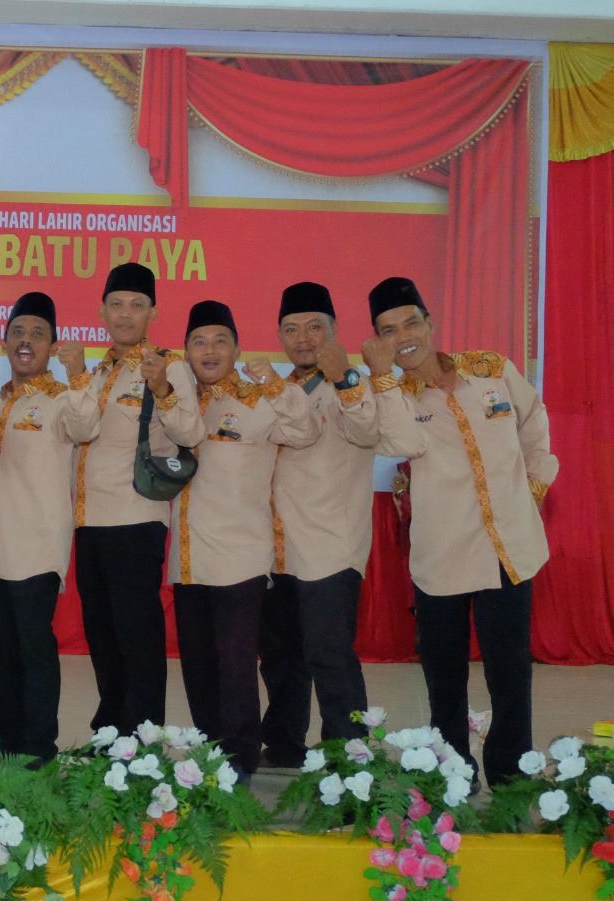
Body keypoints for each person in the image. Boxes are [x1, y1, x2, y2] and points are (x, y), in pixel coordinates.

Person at [370, 276, 556, 785]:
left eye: (411, 322)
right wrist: (382, 376)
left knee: (511, 673)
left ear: (429, 322)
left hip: (508, 548)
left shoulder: (491, 369)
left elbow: (533, 419)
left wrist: (534, 485)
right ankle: (453, 774)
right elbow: (401, 443)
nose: (403, 336)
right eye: (388, 331)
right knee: (445, 678)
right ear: (379, 341)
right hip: (442, 555)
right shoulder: (394, 396)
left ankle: (511, 776)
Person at [258, 282, 425, 768]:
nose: (303, 338)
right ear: (280, 336)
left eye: (315, 327)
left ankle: (348, 758)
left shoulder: (355, 385)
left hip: (330, 546)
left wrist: (347, 379)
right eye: (292, 329)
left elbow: (374, 434)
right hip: (274, 549)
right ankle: (284, 746)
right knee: (280, 657)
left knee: (329, 655)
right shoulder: (276, 390)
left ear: (334, 331)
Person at [171, 300, 319, 778]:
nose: (209, 350)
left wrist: (276, 384)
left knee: (235, 663)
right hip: (187, 556)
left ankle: (240, 756)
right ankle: (208, 751)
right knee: (197, 663)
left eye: (220, 341)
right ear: (186, 352)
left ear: (236, 349)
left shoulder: (258, 401)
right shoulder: (175, 401)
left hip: (241, 556)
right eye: (199, 342)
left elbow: (304, 431)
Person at [72, 263, 202, 733]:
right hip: (87, 521)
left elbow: (191, 433)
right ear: (101, 311)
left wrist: (162, 389)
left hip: (134, 519)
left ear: (153, 313)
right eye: (117, 304)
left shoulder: (168, 366)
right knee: (102, 636)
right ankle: (111, 734)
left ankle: (143, 739)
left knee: (137, 637)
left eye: (137, 305)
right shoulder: (95, 372)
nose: (125, 314)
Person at [0, 292, 96, 765]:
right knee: (1, 653)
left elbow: (85, 427)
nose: (26, 341)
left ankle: (38, 746)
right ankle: (3, 739)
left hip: (35, 549)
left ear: (52, 346)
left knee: (33, 649)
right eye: (18, 332)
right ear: (4, 343)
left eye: (37, 334)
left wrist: (78, 374)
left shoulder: (62, 399)